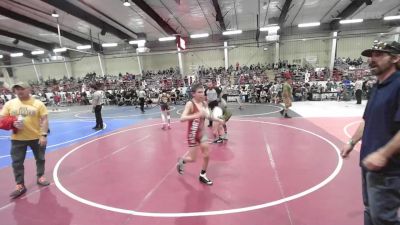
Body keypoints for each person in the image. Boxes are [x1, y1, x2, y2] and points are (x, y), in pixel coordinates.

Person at [341, 41, 400, 225]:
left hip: (389, 170)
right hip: (368, 165)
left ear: (395, 58)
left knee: (383, 219)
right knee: (370, 212)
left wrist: (383, 154)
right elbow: (367, 121)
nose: (371, 60)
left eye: (379, 55)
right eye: (371, 55)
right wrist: (351, 143)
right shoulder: (377, 87)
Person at [1, 82, 50, 199]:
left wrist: (43, 135)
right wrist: (12, 123)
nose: (19, 91)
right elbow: (2, 119)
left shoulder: (38, 104)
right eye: (16, 89)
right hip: (17, 139)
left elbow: (44, 120)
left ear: (29, 89)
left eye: (22, 88)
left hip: (36, 137)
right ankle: (20, 184)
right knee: (17, 163)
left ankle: (40, 176)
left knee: (40, 158)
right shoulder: (9, 104)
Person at [176, 83, 224, 185]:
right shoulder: (190, 104)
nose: (202, 94)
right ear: (193, 94)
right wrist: (197, 114)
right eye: (199, 92)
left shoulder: (204, 103)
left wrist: (218, 120)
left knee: (206, 155)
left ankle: (203, 175)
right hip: (192, 134)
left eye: (203, 92)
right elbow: (182, 118)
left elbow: (208, 116)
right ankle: (182, 160)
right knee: (193, 159)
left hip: (202, 133)